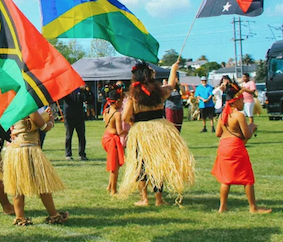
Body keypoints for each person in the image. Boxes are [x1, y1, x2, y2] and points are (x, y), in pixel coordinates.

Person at [120, 59, 195, 206]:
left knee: (141, 166)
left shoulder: (133, 97)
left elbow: (125, 116)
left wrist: (133, 124)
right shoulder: (159, 92)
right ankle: (159, 199)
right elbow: (172, 85)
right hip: (159, 129)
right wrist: (174, 69)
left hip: (141, 132)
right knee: (158, 164)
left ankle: (144, 199)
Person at [212, 84, 271, 214]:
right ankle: (253, 207)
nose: (244, 102)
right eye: (242, 100)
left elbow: (217, 133)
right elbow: (247, 135)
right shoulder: (239, 115)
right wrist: (252, 127)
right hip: (235, 147)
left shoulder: (223, 115)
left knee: (226, 179)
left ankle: (222, 207)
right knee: (247, 177)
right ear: (237, 101)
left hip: (223, 147)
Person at [4, 107, 68, 226]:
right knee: (42, 184)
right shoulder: (29, 108)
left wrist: (44, 116)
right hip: (28, 149)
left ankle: (20, 217)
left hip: (15, 149)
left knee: (17, 186)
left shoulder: (11, 108)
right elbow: (44, 127)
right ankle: (53, 215)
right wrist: (51, 120)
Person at [101, 91, 126, 195]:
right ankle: (113, 190)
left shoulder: (106, 110)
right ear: (117, 102)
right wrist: (130, 130)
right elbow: (120, 131)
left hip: (106, 137)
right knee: (114, 167)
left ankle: (110, 185)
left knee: (113, 164)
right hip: (112, 140)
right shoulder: (117, 114)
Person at [62, 86, 88, 160]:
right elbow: (63, 98)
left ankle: (82, 154)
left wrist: (84, 90)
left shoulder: (81, 91)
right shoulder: (67, 90)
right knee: (69, 135)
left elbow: (86, 99)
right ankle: (68, 154)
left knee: (81, 135)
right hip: (69, 115)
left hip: (79, 115)